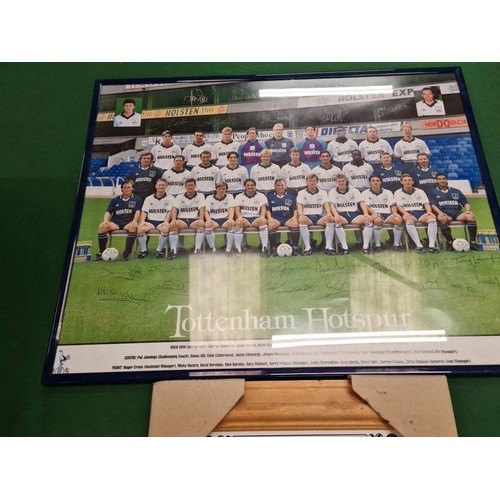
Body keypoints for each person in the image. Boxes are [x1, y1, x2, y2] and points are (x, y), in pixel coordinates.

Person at [428, 173, 480, 251]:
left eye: (443, 179)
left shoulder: (456, 191)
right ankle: (450, 242)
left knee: (470, 217)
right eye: (439, 179)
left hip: (457, 213)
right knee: (442, 219)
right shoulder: (433, 192)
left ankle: (472, 243)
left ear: (446, 179)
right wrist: (439, 213)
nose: (442, 180)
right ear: (436, 181)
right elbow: (433, 205)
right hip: (444, 213)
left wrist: (467, 211)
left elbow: (466, 203)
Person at [95, 180, 142, 261]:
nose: (127, 189)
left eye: (129, 187)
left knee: (133, 227)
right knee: (102, 227)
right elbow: (108, 212)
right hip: (116, 222)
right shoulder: (115, 200)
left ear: (132, 189)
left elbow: (138, 211)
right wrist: (105, 221)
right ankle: (102, 253)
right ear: (121, 189)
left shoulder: (137, 199)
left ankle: (126, 253)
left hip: (128, 222)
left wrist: (135, 221)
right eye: (125, 187)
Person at [394, 173, 439, 253]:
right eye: (405, 180)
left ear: (413, 182)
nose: (407, 182)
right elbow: (399, 206)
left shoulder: (420, 191)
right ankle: (419, 246)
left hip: (420, 212)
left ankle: (432, 246)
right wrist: (405, 213)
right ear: (401, 182)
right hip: (408, 212)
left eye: (409, 180)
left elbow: (426, 203)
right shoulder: (397, 192)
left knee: (432, 219)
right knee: (409, 220)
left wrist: (429, 212)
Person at [328, 173, 372, 255]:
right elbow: (332, 205)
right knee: (337, 221)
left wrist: (366, 213)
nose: (341, 183)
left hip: (354, 214)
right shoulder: (332, 192)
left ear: (346, 181)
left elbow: (361, 202)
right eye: (339, 181)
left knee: (368, 220)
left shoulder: (354, 191)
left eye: (343, 181)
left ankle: (365, 247)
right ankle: (345, 247)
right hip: (342, 215)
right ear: (336, 182)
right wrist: (336, 215)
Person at [362, 174, 405, 252]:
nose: (375, 182)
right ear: (370, 183)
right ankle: (377, 245)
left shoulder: (388, 192)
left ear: (381, 182)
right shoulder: (365, 193)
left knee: (399, 220)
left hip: (387, 213)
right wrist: (373, 213)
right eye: (373, 181)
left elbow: (392, 204)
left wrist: (395, 213)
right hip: (375, 214)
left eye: (377, 181)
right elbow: (366, 205)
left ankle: (396, 244)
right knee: (378, 221)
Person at [296, 173, 335, 256]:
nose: (312, 182)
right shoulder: (301, 193)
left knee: (330, 220)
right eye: (310, 181)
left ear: (317, 182)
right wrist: (301, 215)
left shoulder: (323, 192)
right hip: (307, 217)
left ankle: (328, 247)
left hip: (319, 216)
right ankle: (307, 248)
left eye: (314, 181)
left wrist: (329, 213)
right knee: (302, 221)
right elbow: (299, 205)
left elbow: (326, 203)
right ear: (306, 182)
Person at [136, 178, 176, 259]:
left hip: (162, 221)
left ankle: (159, 250)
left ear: (166, 186)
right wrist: (142, 221)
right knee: (140, 230)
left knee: (165, 229)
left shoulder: (171, 198)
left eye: (163, 185)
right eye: (159, 185)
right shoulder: (149, 198)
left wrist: (166, 221)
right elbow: (144, 211)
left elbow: (170, 211)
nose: (161, 186)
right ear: (156, 186)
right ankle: (144, 250)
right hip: (150, 221)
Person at [168, 178, 206, 259]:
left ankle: (197, 250)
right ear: (185, 187)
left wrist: (201, 219)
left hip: (194, 220)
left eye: (192, 185)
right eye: (188, 185)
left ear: (195, 186)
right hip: (182, 220)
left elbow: (202, 208)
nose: (190, 187)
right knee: (173, 226)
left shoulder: (200, 196)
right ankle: (173, 251)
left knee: (201, 225)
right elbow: (174, 208)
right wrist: (173, 220)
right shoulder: (179, 197)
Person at [234, 179, 271, 256]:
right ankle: (238, 249)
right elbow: (237, 209)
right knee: (238, 222)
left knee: (263, 221)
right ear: (244, 186)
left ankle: (264, 248)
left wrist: (262, 216)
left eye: (251, 185)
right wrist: (239, 217)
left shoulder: (261, 196)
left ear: (255, 186)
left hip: (256, 217)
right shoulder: (239, 196)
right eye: (248, 185)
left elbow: (263, 208)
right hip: (244, 218)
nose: (250, 187)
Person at [266, 179, 300, 256]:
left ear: (285, 186)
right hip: (276, 218)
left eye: (282, 185)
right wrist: (270, 218)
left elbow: (295, 209)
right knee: (271, 225)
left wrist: (294, 217)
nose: (280, 187)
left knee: (295, 224)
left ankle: (295, 248)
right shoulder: (270, 197)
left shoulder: (291, 196)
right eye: (278, 185)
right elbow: (268, 210)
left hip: (287, 218)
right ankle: (273, 249)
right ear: (275, 187)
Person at [204, 182, 237, 253]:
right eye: (219, 189)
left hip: (225, 219)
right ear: (216, 189)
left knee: (232, 224)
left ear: (226, 190)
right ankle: (213, 249)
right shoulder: (209, 198)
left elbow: (231, 208)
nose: (221, 191)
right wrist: (208, 220)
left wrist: (230, 219)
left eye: (223, 189)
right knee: (207, 225)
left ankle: (228, 249)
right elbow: (206, 211)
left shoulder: (229, 196)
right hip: (214, 220)